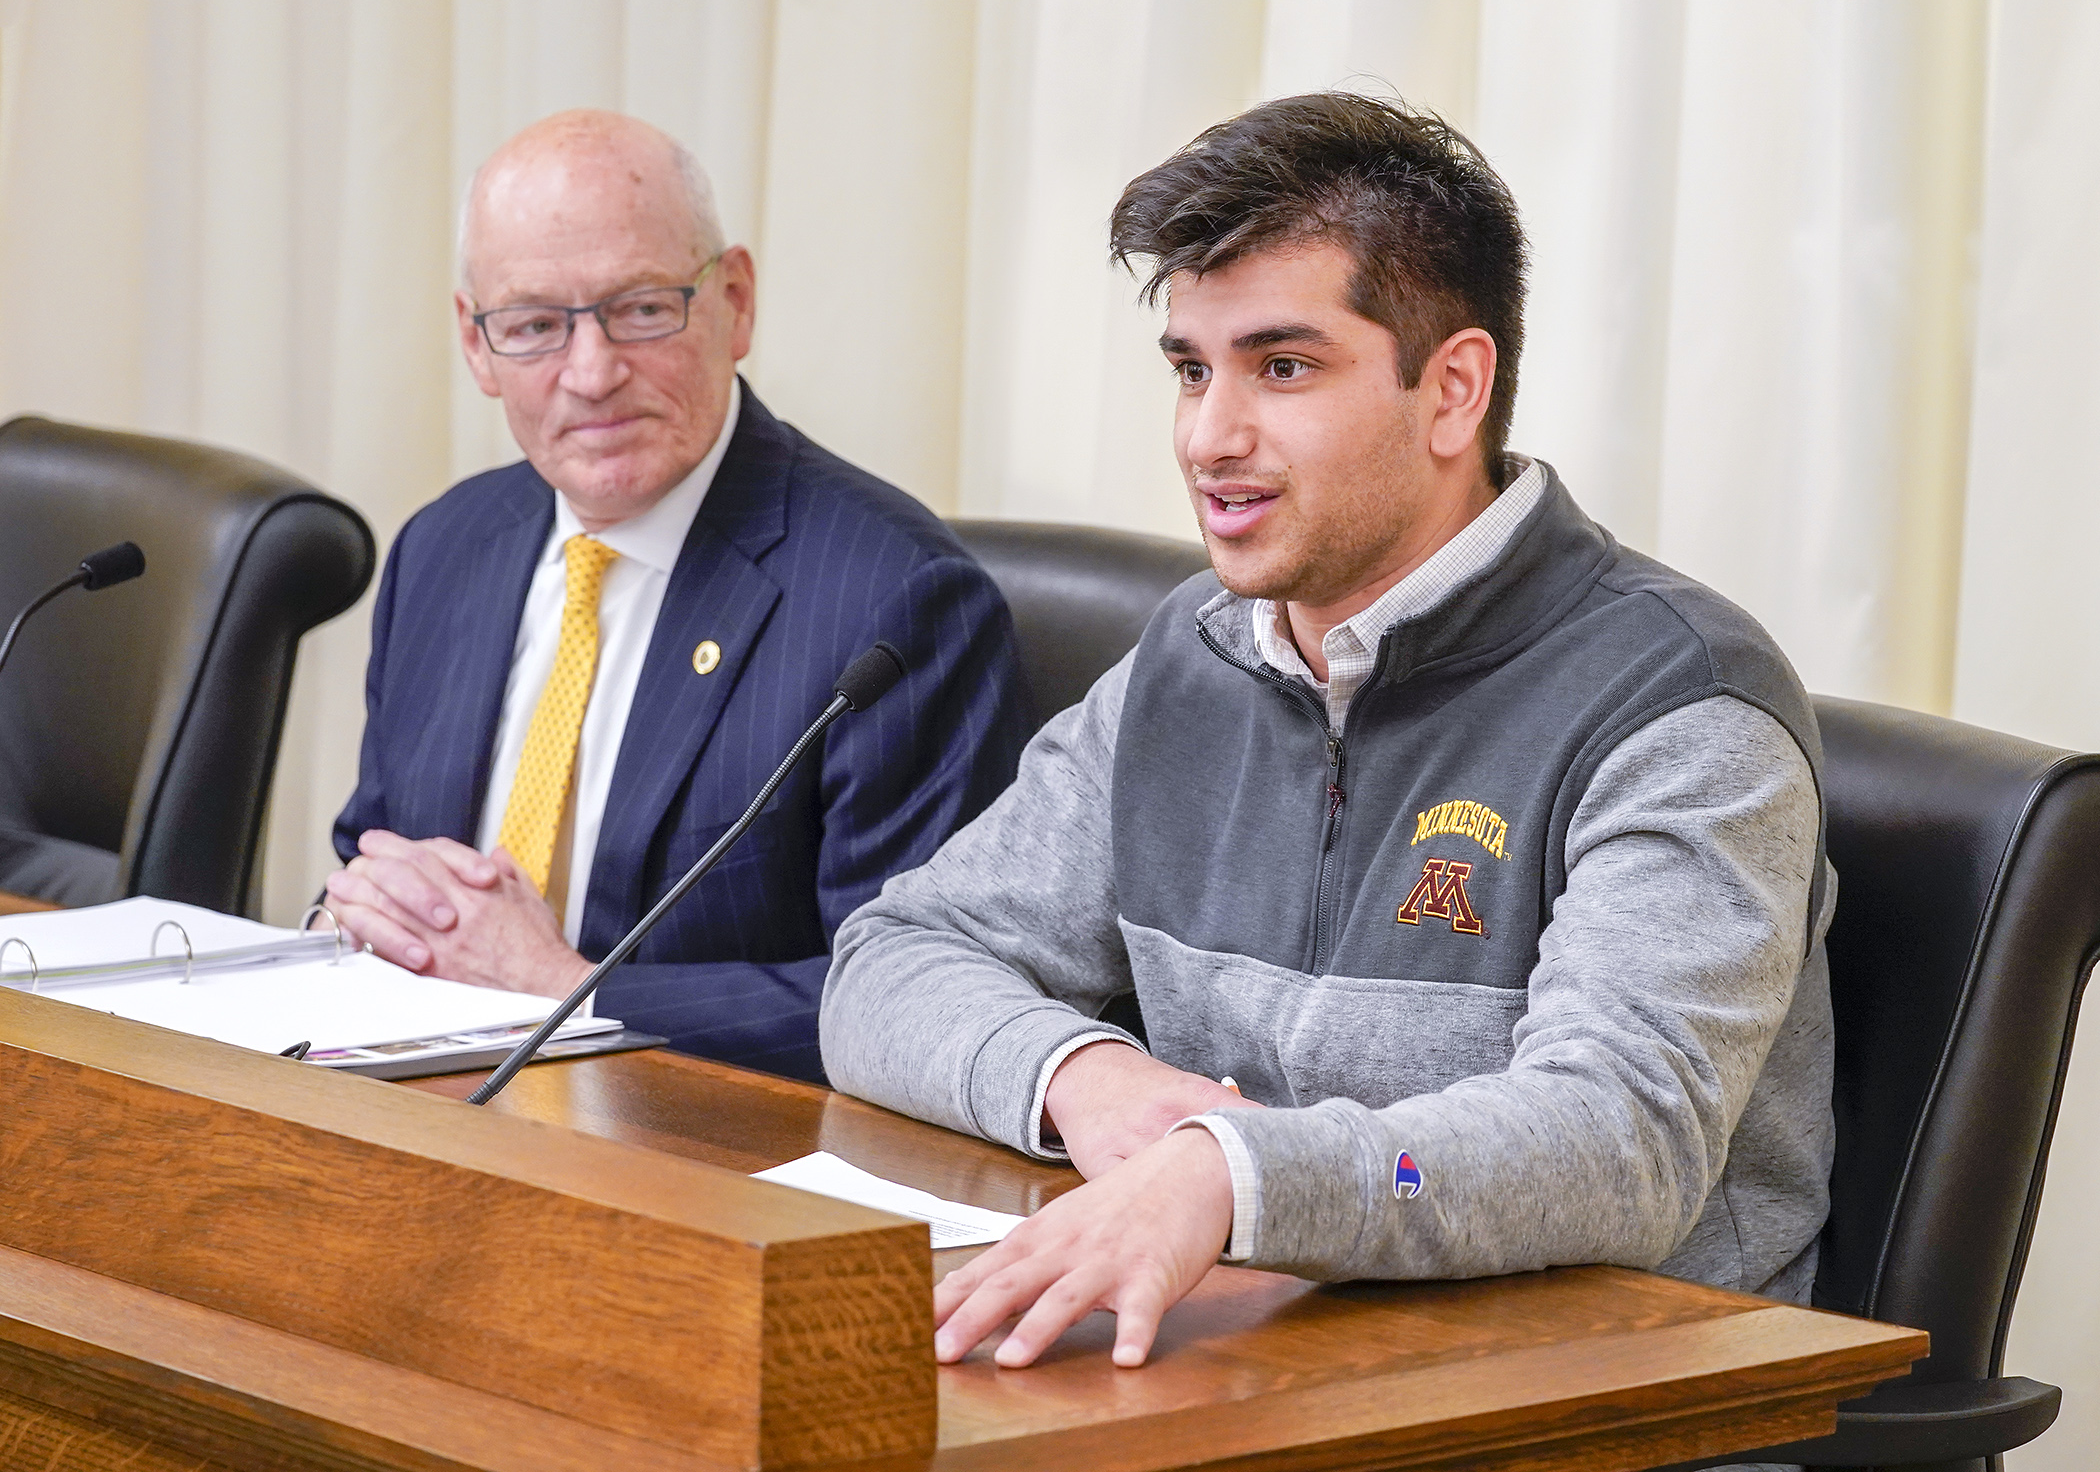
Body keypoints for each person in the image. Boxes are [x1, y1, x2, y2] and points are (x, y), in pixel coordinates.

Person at [820, 93, 1835, 1372]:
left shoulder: (1679, 703)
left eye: (1281, 367)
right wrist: (1082, 1077)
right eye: (1192, 368)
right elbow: (894, 961)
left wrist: (1227, 1178)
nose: (1208, 438)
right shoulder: (1188, 660)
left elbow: (1618, 1138)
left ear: (1453, 389)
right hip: (1261, 1361)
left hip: (1605, 1408)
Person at [327, 110, 1027, 1082]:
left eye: (643, 308)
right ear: (476, 345)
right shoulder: (444, 549)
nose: (592, 373)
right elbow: (375, 846)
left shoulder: (895, 604)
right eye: (534, 326)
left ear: (734, 302)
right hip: (418, 1114)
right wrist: (359, 908)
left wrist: (569, 991)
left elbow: (919, 1001)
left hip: (697, 1165)